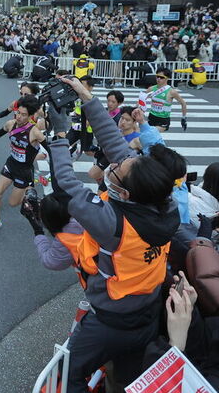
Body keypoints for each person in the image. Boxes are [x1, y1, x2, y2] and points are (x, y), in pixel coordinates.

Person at [49, 76, 182, 392]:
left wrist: (59, 135)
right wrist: (87, 99)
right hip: (148, 310)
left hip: (111, 320)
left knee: (65, 376)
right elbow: (116, 147)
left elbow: (66, 184)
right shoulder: (167, 204)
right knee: (127, 376)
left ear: (124, 191)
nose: (115, 164)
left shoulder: (112, 224)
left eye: (118, 170)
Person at [0, 95, 46, 232]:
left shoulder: (35, 132)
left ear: (30, 116)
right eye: (18, 113)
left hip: (24, 171)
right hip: (11, 164)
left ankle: (32, 197)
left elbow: (50, 148)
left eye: (23, 115)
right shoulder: (11, 124)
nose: (19, 117)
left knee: (12, 203)